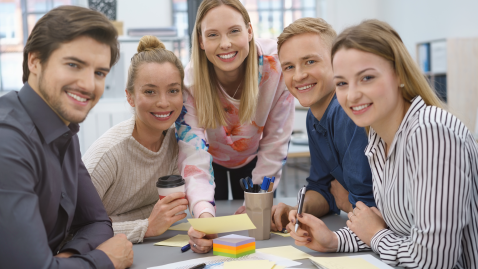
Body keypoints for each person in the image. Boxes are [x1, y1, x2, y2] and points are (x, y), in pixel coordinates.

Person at [288, 19, 478, 269]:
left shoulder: (431, 132)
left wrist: (376, 234)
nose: (352, 95)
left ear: (398, 74)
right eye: (342, 83)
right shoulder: (379, 140)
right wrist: (332, 240)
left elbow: (434, 260)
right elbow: (394, 232)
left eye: (366, 78)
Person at [0, 6, 133, 269]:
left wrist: (68, 258)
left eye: (99, 73)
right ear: (34, 61)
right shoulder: (8, 143)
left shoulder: (63, 131)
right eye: (73, 65)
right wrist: (104, 260)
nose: (88, 84)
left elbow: (97, 222)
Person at [177, 0, 294, 253]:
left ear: (250, 31)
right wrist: (204, 217)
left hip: (255, 157)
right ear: (200, 41)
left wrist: (257, 201)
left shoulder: (276, 65)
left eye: (234, 31)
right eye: (212, 35)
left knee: (257, 233)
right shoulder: (191, 81)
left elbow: (275, 141)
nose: (225, 43)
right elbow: (193, 156)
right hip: (211, 160)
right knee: (215, 226)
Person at [271, 18, 375, 232]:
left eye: (310, 61)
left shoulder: (346, 112)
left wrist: (346, 202)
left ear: (336, 62)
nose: (299, 75)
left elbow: (368, 208)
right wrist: (297, 210)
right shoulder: (314, 117)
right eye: (289, 67)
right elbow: (323, 190)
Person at [83, 35, 188, 243]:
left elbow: (169, 211)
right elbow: (69, 231)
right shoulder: (107, 157)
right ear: (129, 96)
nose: (163, 102)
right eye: (150, 91)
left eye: (173, 90)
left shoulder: (178, 144)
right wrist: (145, 226)